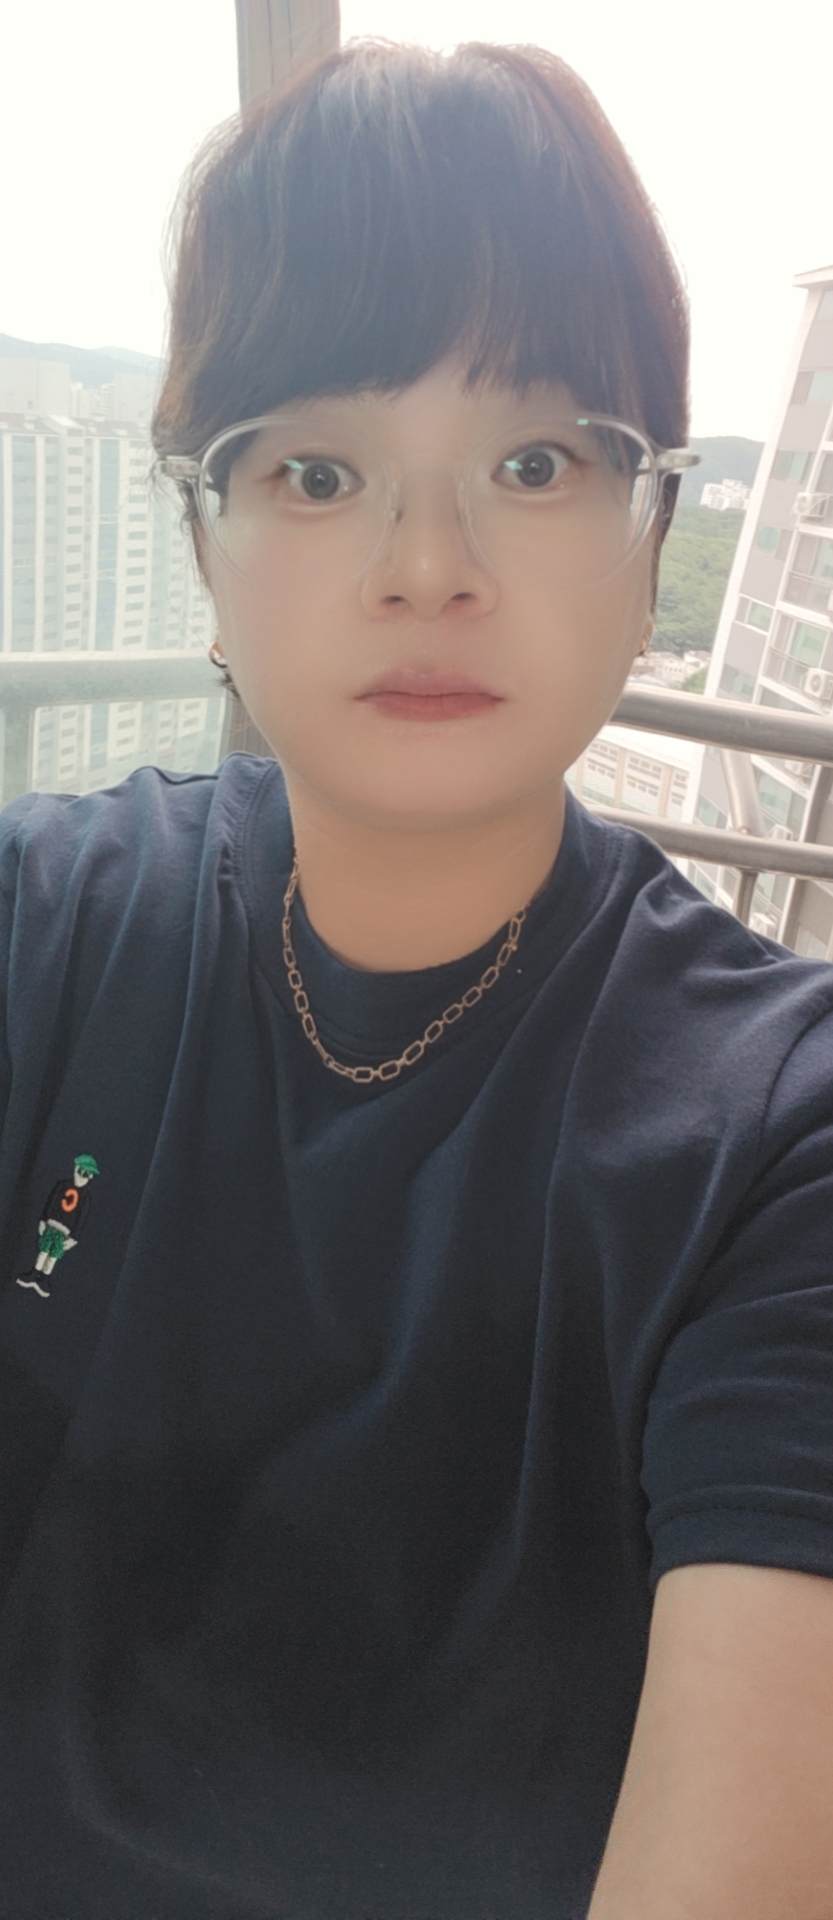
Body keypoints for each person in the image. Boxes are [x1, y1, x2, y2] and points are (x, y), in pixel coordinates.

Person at [2, 37, 833, 1920]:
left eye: (534, 462)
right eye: (315, 469)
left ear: (651, 525)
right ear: (204, 545)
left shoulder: (776, 1143)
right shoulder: (48, 925)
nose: (428, 565)